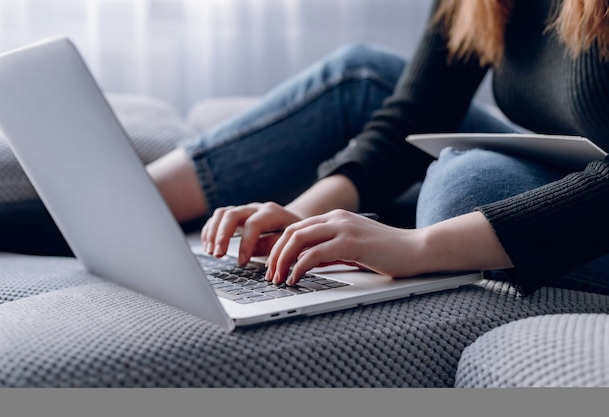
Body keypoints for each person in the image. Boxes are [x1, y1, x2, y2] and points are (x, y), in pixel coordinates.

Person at [147, 0, 609, 295]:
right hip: (574, 169)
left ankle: (426, 229)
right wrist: (302, 216)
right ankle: (118, 207)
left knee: (465, 187)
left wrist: (418, 247)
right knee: (361, 76)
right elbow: (420, 113)